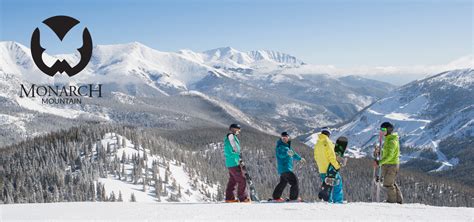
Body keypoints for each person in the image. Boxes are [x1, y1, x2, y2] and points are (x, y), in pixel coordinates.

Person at [272, 132, 306, 202]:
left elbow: (293, 154)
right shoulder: (280, 147)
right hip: (285, 168)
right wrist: (286, 153)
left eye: (286, 138)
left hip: (284, 169)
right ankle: (293, 198)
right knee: (295, 182)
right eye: (283, 138)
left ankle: (276, 197)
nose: (284, 139)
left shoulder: (287, 147)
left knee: (283, 183)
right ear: (281, 138)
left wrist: (300, 159)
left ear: (288, 138)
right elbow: (280, 155)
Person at [313, 127, 344, 203]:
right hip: (330, 169)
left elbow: (316, 157)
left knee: (327, 186)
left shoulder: (317, 143)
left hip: (322, 170)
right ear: (328, 133)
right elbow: (331, 156)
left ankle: (328, 202)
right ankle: (338, 201)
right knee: (337, 184)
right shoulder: (328, 142)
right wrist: (337, 166)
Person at [377, 122, 403, 204]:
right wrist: (379, 152)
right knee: (391, 182)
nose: (381, 131)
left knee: (388, 184)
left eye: (383, 129)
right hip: (388, 164)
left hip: (392, 165)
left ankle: (392, 201)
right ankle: (398, 200)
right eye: (380, 129)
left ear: (389, 130)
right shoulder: (388, 139)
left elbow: (390, 156)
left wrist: (380, 162)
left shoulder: (392, 141)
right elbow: (386, 152)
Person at [223, 123, 249, 203]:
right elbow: (235, 148)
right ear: (234, 129)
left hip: (231, 162)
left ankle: (229, 198)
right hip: (233, 162)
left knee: (233, 180)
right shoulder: (231, 136)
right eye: (238, 130)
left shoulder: (230, 137)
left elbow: (233, 149)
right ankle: (243, 198)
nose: (239, 131)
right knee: (242, 180)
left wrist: (239, 157)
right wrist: (238, 155)